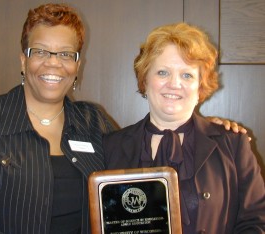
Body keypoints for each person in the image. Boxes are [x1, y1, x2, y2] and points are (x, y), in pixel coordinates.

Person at [0, 3, 249, 234]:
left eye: (65, 54)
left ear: (77, 65)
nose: (53, 62)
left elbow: (143, 151)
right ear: (23, 59)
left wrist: (204, 128)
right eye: (40, 51)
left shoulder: (93, 123)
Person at [103, 22, 265, 233]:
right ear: (145, 79)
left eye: (187, 75)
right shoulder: (110, 146)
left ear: (200, 86)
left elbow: (256, 222)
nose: (174, 83)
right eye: (162, 72)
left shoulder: (233, 144)